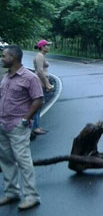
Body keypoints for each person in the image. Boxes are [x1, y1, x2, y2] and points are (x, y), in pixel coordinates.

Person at [0, 46, 43, 210]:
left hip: (18, 126)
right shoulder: (6, 77)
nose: (2, 59)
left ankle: (32, 196)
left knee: (23, 161)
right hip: (2, 125)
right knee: (6, 160)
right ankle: (12, 192)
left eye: (4, 56)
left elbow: (38, 100)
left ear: (14, 57)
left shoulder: (29, 77)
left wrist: (25, 120)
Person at [32, 40, 53, 135]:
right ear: (43, 47)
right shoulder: (39, 56)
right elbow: (40, 71)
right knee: (38, 105)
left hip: (41, 83)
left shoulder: (41, 56)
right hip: (40, 83)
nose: (49, 47)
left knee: (39, 106)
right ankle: (35, 127)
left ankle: (36, 126)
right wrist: (47, 84)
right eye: (47, 45)